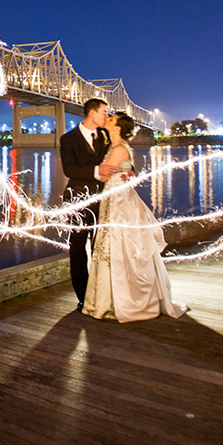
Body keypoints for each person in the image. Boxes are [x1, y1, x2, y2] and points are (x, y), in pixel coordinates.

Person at [83, 111, 188, 321]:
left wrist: (101, 171)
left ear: (118, 128)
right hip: (113, 196)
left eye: (110, 119)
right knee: (110, 246)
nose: (107, 119)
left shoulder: (120, 148)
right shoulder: (113, 146)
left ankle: (122, 300)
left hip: (119, 201)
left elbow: (104, 174)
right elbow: (114, 170)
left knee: (119, 245)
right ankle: (110, 299)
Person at [59, 98, 114, 310]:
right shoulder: (68, 139)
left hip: (104, 200)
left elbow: (119, 159)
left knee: (101, 247)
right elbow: (69, 170)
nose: (106, 117)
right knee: (78, 249)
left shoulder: (106, 136)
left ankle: (102, 293)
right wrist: (96, 172)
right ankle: (83, 296)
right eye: (103, 112)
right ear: (91, 113)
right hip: (78, 201)